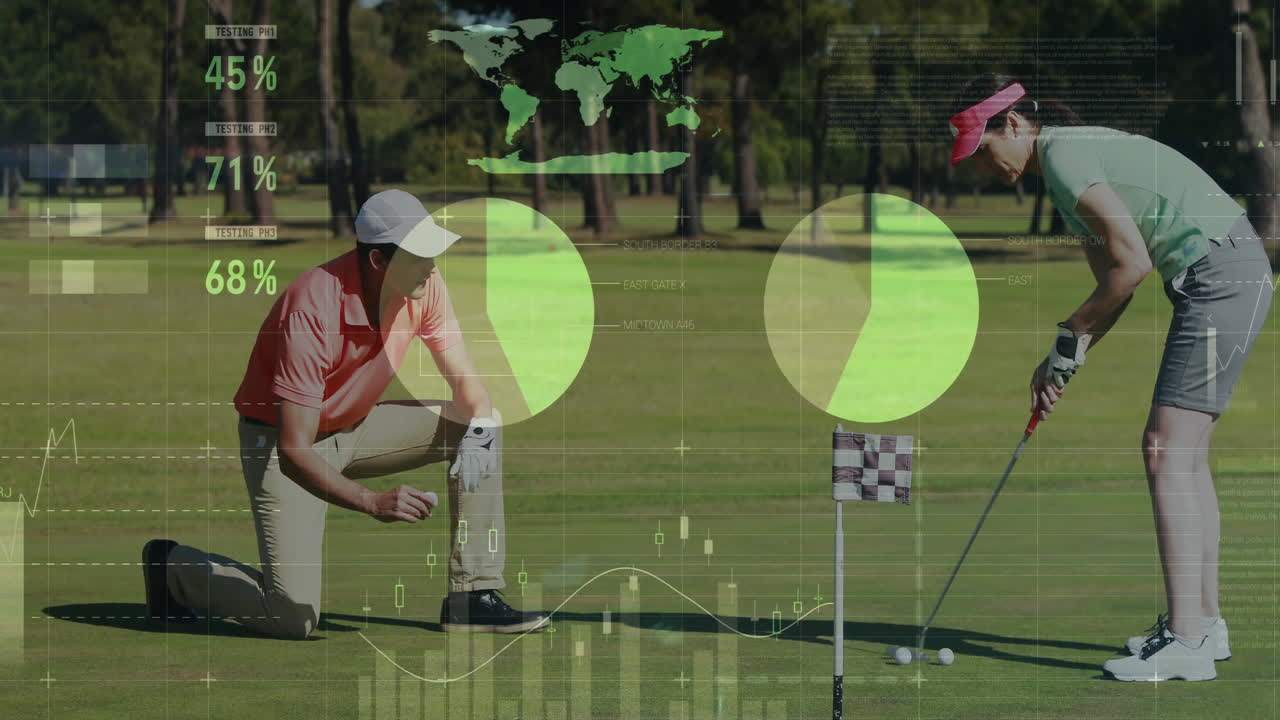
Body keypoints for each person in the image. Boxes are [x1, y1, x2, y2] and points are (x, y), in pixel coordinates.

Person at [949, 73, 1272, 681]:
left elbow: (1132, 266)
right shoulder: (1070, 165)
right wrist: (1065, 360)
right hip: (1229, 274)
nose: (982, 167)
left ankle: (1188, 642)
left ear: (1013, 125)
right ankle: (1204, 626)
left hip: (1221, 276)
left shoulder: (1066, 157)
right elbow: (1113, 288)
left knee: (1163, 450)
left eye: (984, 150)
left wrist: (1066, 336)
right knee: (1186, 455)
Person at [141, 189, 549, 638]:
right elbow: (294, 447)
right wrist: (371, 501)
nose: (432, 266)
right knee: (292, 618)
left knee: (480, 426)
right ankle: (173, 569)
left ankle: (473, 596)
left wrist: (480, 438)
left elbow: (469, 386)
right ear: (378, 261)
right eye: (419, 256)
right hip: (284, 447)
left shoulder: (425, 287)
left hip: (357, 428)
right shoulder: (313, 305)